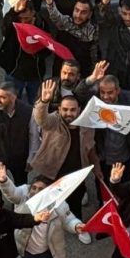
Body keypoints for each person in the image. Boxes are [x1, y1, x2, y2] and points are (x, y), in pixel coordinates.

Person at [30, 78, 100, 220]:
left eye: (73, 110)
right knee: (49, 203)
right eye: (65, 109)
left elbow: (91, 149)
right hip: (51, 173)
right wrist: (43, 102)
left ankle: (77, 226)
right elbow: (40, 118)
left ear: (79, 110)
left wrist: (97, 169)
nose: (69, 113)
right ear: (59, 109)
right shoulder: (53, 121)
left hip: (76, 174)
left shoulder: (87, 125)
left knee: (75, 203)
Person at [41, 0, 100, 77]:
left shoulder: (92, 29)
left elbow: (94, 53)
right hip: (61, 72)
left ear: (89, 14)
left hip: (82, 73)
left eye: (83, 12)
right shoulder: (66, 22)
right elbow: (56, 16)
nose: (78, 15)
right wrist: (49, 0)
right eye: (77, 10)